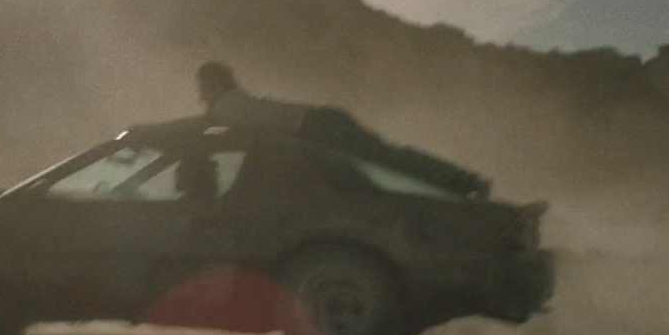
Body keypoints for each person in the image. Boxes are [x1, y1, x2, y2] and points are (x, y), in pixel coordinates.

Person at [194, 60, 490, 197]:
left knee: (388, 160)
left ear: (215, 85)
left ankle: (466, 182)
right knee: (384, 163)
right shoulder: (233, 104)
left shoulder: (226, 107)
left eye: (202, 88)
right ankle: (461, 185)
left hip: (321, 128)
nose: (199, 95)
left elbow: (202, 132)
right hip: (322, 124)